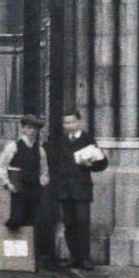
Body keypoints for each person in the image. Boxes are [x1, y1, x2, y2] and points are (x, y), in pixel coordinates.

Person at [51, 108, 107, 269]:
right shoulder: (61, 140)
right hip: (64, 188)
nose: (69, 125)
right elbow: (55, 162)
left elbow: (102, 162)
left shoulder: (88, 139)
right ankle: (74, 257)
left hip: (81, 188)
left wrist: (92, 164)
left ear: (79, 122)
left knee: (82, 222)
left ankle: (85, 258)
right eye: (66, 123)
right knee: (69, 224)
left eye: (72, 122)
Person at [0, 115, 46, 230]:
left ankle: (28, 245)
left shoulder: (40, 150)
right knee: (17, 219)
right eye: (29, 127)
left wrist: (42, 182)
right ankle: (8, 241)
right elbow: (1, 166)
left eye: (35, 128)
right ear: (23, 129)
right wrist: (7, 182)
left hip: (34, 189)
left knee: (31, 220)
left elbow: (44, 170)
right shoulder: (14, 147)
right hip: (18, 187)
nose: (32, 131)